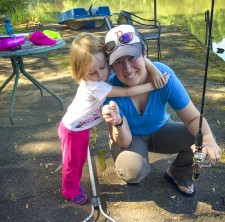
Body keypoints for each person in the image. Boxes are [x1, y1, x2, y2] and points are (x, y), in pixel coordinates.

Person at [102, 24, 222, 197]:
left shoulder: (164, 75)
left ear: (144, 54)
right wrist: (116, 124)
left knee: (199, 135)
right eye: (119, 62)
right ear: (112, 67)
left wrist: (208, 138)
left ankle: (178, 174)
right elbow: (122, 140)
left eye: (132, 57)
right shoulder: (110, 89)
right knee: (132, 171)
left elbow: (193, 118)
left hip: (160, 129)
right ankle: (134, 159)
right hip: (128, 137)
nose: (127, 69)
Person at [58, 32, 170, 204]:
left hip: (81, 127)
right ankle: (69, 191)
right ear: (80, 72)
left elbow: (140, 55)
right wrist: (153, 85)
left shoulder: (99, 79)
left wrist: (153, 68)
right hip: (72, 130)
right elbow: (127, 92)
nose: (101, 75)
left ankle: (72, 183)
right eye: (93, 72)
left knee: (79, 159)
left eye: (103, 67)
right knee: (73, 162)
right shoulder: (94, 86)